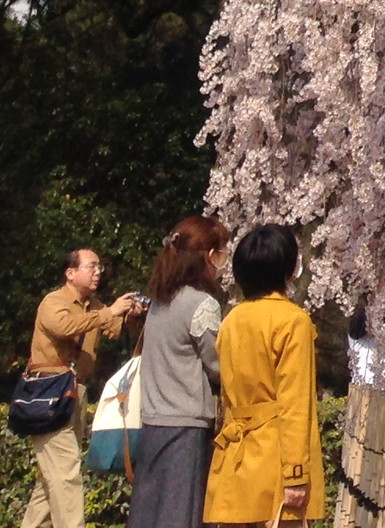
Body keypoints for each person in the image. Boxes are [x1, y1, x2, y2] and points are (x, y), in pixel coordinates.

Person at [203, 225, 325, 526]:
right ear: (289, 268)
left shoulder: (232, 320)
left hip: (235, 456)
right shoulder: (293, 321)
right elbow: (295, 404)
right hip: (276, 458)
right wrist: (295, 473)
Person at [21, 247, 146, 528]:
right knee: (65, 474)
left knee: (50, 480)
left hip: (75, 393)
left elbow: (114, 329)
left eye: (100, 267)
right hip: (49, 393)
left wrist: (131, 315)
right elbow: (65, 327)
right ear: (71, 273)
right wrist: (109, 312)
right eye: (91, 266)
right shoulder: (53, 302)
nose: (98, 272)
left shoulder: (97, 306)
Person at [130, 217, 229, 528]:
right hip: (187, 426)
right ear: (208, 255)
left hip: (153, 420)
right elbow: (218, 366)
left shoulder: (160, 302)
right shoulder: (202, 304)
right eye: (222, 252)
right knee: (182, 514)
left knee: (151, 514)